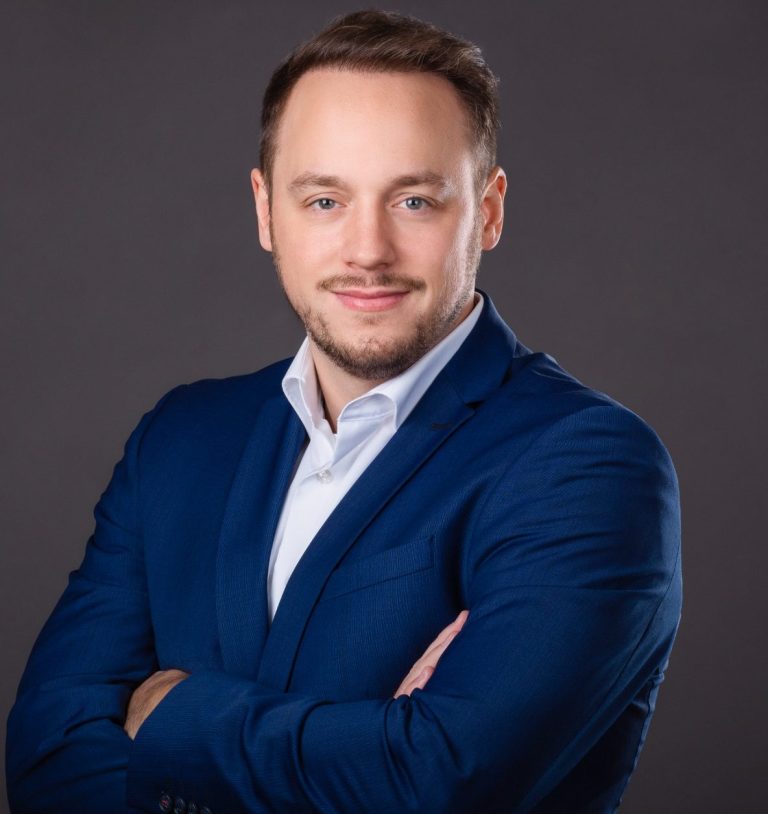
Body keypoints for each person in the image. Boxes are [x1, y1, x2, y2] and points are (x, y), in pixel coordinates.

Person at [6, 9, 682, 814]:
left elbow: (442, 783)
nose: (367, 250)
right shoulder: (182, 439)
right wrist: (371, 750)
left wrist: (174, 714)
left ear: (489, 210)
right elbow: (47, 756)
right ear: (266, 211)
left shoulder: (588, 465)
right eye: (325, 200)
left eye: (415, 201)